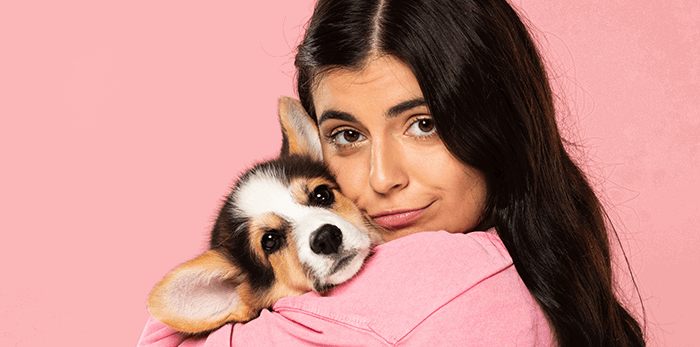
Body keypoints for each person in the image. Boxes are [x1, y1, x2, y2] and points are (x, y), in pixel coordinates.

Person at [137, 0, 646, 345]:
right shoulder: (548, 270)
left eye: (424, 124)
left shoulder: (451, 280)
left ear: (498, 122)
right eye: (347, 136)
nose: (382, 178)